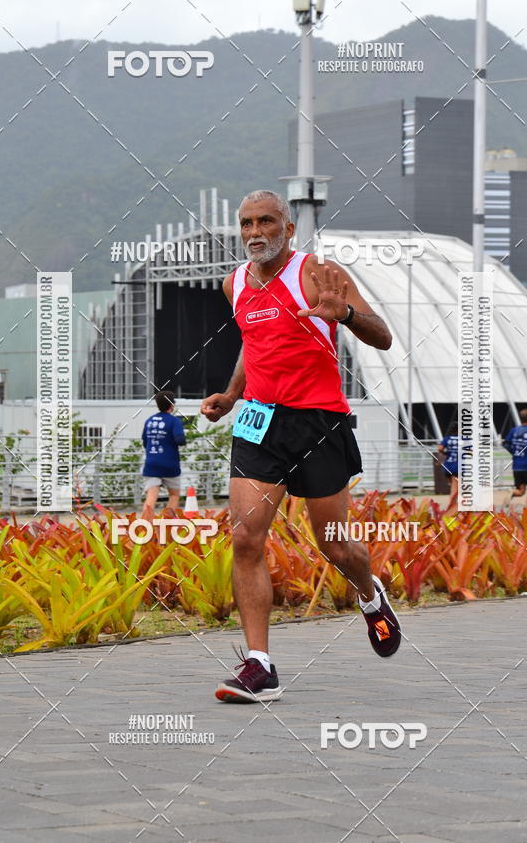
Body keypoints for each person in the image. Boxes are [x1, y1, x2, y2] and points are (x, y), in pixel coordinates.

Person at [200, 189, 401, 704]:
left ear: (288, 229)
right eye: (246, 223)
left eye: (266, 221)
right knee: (245, 538)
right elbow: (253, 340)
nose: (254, 232)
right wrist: (231, 394)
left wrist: (345, 316)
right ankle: (259, 665)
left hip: (319, 422)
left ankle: (368, 593)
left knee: (334, 544)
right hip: (259, 422)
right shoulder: (235, 285)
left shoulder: (317, 273)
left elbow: (383, 337)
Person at [141, 390, 186, 521]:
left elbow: (145, 441)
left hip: (151, 463)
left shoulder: (149, 421)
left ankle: (144, 529)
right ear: (172, 405)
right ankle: (166, 525)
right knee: (174, 495)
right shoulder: (174, 421)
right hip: (170, 463)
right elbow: (180, 440)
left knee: (151, 498)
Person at [437, 423, 461, 515]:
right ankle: (454, 508)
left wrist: (446, 453)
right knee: (457, 489)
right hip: (459, 466)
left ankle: (453, 506)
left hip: (449, 465)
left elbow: (440, 448)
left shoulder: (448, 439)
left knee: (453, 486)